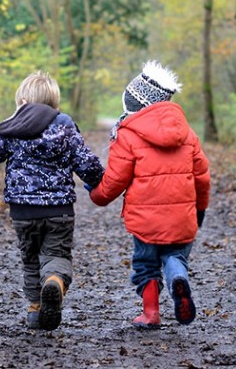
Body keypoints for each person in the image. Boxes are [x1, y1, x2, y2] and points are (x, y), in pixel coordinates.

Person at [0, 71, 104, 331]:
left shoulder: (13, 127)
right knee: (56, 253)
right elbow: (87, 163)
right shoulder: (65, 124)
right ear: (55, 102)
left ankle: (34, 310)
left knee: (30, 258)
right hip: (59, 209)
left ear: (21, 100)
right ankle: (54, 280)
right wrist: (98, 181)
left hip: (23, 211)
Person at [88, 60, 210, 329]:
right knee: (175, 256)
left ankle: (151, 314)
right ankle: (178, 278)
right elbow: (202, 176)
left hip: (145, 222)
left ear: (134, 102)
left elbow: (115, 180)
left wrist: (96, 195)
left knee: (146, 265)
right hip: (181, 218)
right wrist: (200, 209)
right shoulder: (187, 134)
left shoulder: (127, 135)